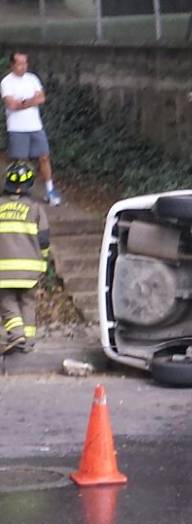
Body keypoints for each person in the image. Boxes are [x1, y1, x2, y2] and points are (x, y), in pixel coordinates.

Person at [0, 162, 50, 354]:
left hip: (3, 269)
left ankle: (17, 334)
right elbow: (44, 239)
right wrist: (43, 263)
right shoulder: (36, 208)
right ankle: (28, 341)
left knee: (7, 301)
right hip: (30, 269)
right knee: (28, 302)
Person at [1, 51, 62, 206]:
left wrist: (23, 102)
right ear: (13, 64)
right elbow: (11, 104)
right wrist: (30, 101)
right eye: (20, 63)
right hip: (17, 128)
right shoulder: (6, 82)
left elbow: (41, 98)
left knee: (44, 157)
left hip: (35, 126)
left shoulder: (32, 78)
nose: (23, 66)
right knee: (20, 162)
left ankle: (50, 189)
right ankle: (20, 191)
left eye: (25, 63)